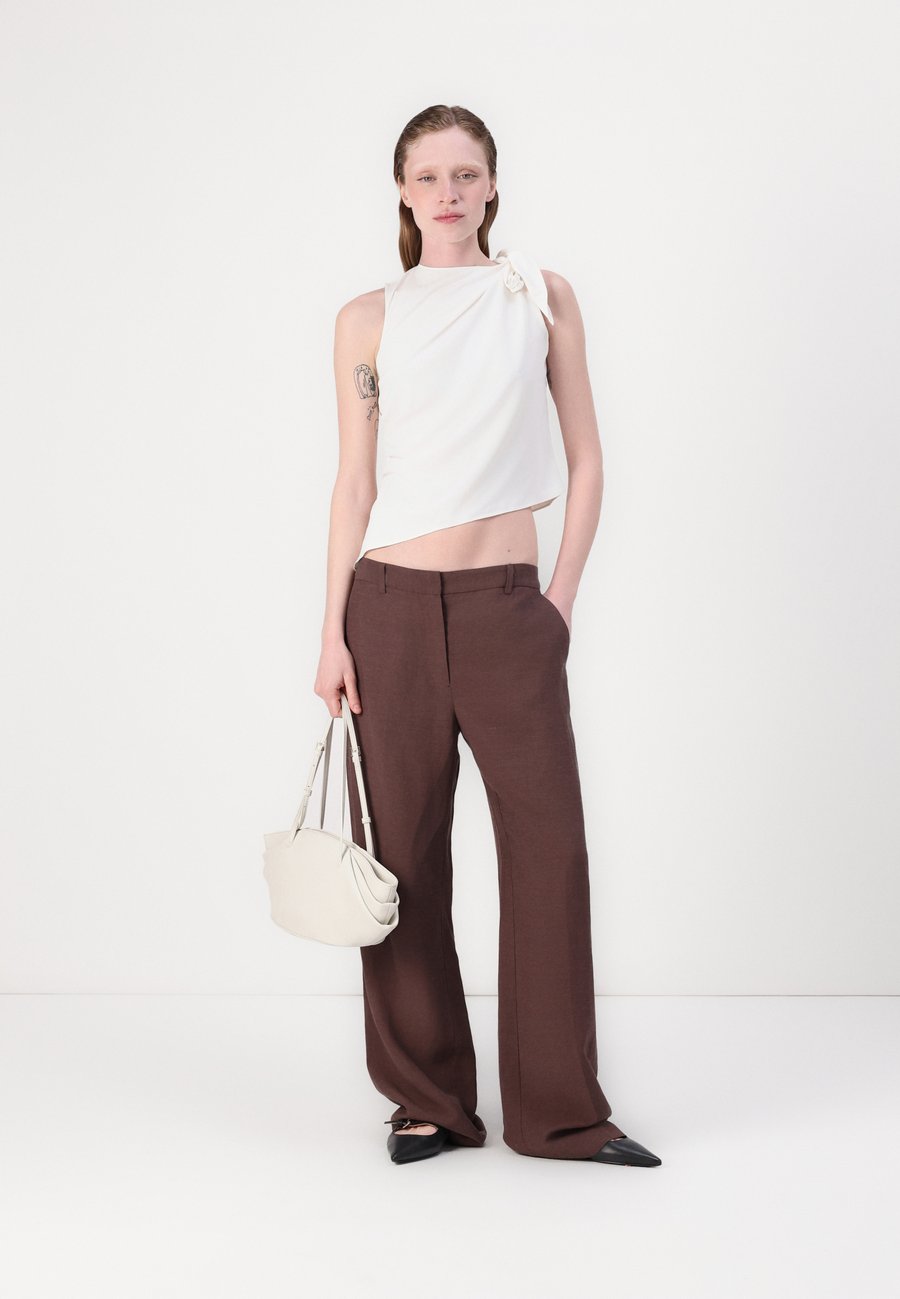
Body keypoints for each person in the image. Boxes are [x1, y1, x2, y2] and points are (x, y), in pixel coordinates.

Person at [315, 104, 662, 1169]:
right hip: (389, 611)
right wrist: (330, 631)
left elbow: (588, 458)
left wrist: (557, 602)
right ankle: (429, 1102)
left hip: (510, 611)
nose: (448, 192)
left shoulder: (540, 296)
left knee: (550, 853)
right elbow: (355, 481)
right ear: (403, 192)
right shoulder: (367, 318)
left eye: (466, 173)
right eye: (427, 176)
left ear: (494, 184)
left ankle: (563, 1111)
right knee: (403, 859)